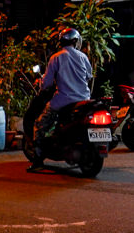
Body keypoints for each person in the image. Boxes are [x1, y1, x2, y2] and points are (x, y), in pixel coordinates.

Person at [28, 27, 92, 172]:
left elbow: (46, 83)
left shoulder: (56, 58)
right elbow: (89, 76)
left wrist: (42, 85)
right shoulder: (83, 57)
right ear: (76, 41)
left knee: (39, 125)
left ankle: (37, 162)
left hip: (63, 101)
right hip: (84, 100)